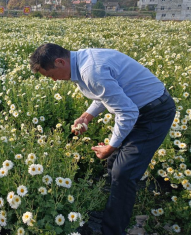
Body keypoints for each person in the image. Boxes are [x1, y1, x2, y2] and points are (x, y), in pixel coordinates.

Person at [29, 43, 176, 235]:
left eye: (51, 75)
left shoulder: (91, 70)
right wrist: (86, 116)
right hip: (139, 108)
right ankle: (113, 207)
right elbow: (105, 94)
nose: (55, 80)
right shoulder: (81, 61)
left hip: (154, 113)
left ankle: (112, 229)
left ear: (59, 61)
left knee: (124, 173)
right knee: (115, 163)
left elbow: (127, 111)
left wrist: (111, 146)